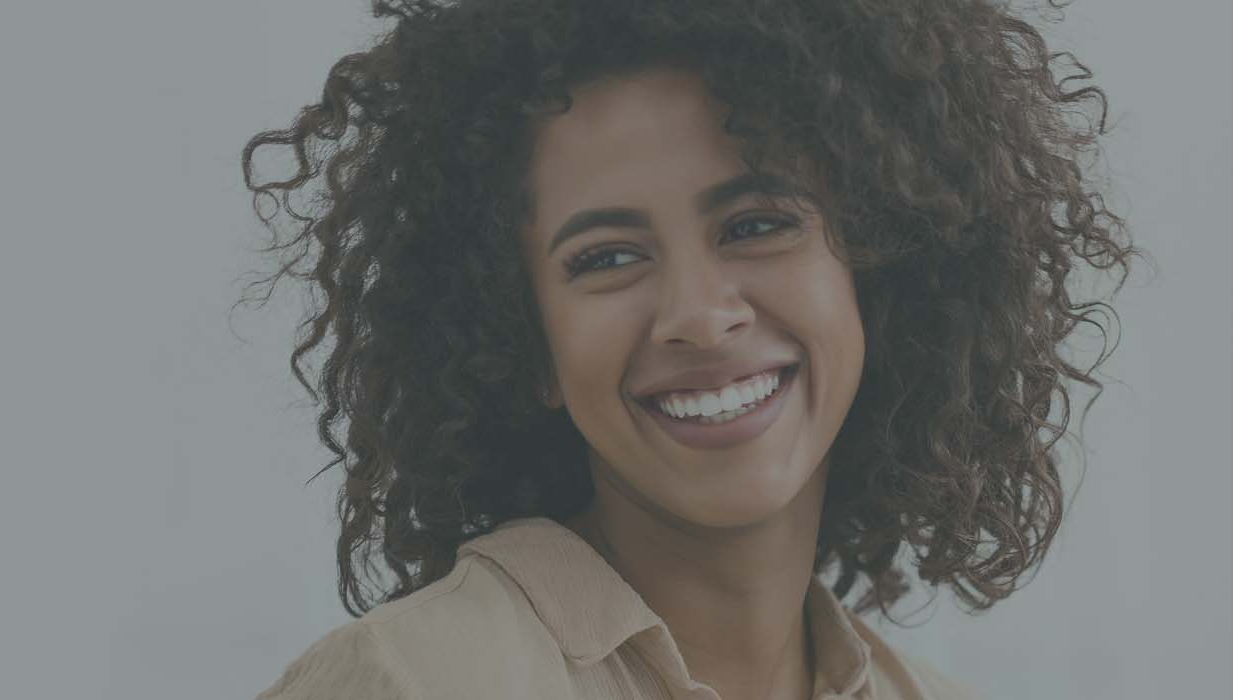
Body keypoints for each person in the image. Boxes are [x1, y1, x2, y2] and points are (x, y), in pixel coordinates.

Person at [239, 0, 1140, 698]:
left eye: (756, 224)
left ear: (879, 269)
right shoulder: (413, 684)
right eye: (609, 257)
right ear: (525, 344)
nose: (701, 318)